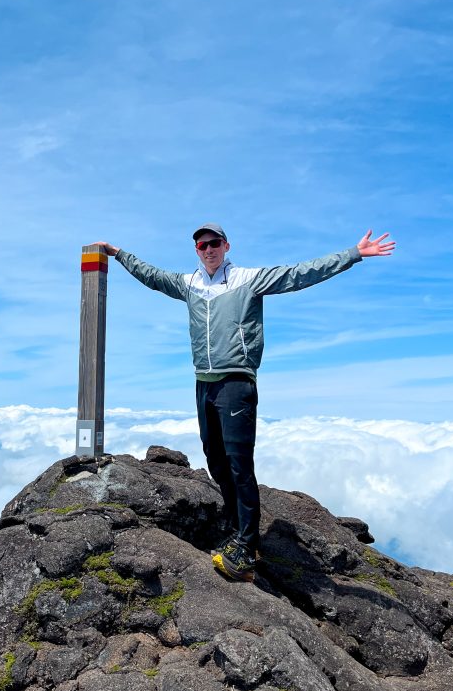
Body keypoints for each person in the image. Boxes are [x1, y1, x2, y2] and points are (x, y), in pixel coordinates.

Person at [96, 226, 395, 582]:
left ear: (226, 246)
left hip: (236, 383)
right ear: (197, 249)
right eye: (202, 245)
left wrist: (354, 254)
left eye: (214, 244)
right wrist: (119, 254)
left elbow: (298, 274)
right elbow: (153, 276)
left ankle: (248, 546)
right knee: (215, 459)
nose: (208, 249)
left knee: (239, 464)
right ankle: (238, 530)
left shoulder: (247, 279)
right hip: (204, 383)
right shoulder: (189, 283)